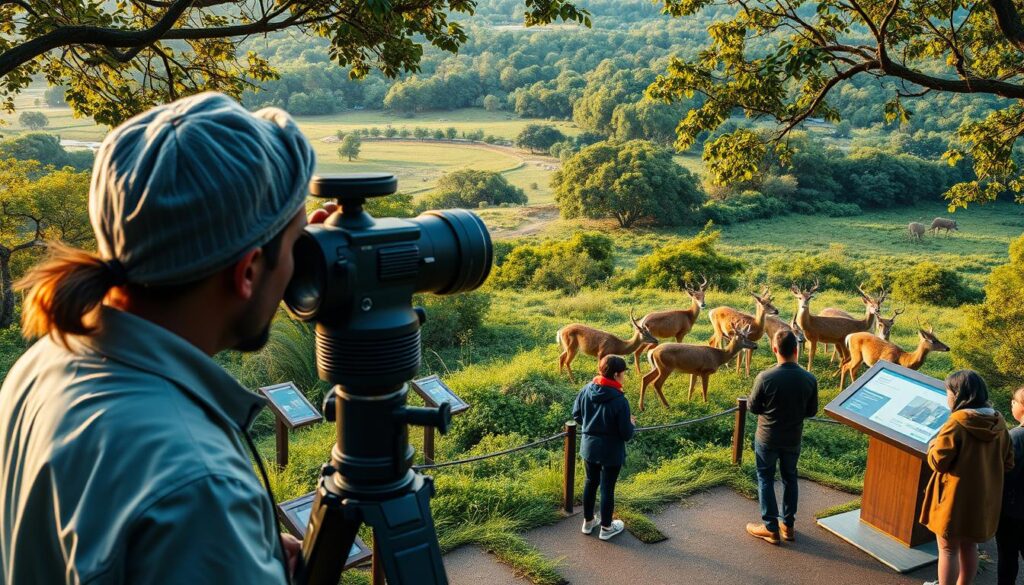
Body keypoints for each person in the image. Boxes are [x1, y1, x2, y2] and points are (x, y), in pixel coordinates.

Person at [0, 92, 316, 584]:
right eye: (297, 244)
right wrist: (215, 541)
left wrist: (233, 557)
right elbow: (176, 504)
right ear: (249, 271)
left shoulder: (46, 360)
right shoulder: (197, 486)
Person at [921, 370, 1013, 585]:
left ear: (957, 394)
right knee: (970, 546)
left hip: (953, 500)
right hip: (983, 500)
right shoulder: (999, 423)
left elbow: (939, 462)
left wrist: (933, 445)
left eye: (948, 393)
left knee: (948, 549)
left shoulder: (956, 423)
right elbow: (1008, 462)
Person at [745, 329, 818, 545]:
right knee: (790, 478)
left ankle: (770, 528)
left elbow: (753, 407)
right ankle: (788, 526)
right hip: (793, 438)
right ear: (797, 350)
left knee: (765, 478)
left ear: (774, 349)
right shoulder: (809, 379)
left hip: (767, 438)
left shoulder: (765, 377)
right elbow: (811, 411)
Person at [572, 355, 635, 541]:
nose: (624, 377)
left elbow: (577, 415)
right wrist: (631, 424)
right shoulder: (620, 400)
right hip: (611, 450)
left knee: (590, 482)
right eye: (623, 373)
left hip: (589, 447)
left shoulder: (586, 389)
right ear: (616, 374)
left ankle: (588, 521)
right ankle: (607, 528)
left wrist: (592, 426)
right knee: (607, 487)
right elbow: (626, 434)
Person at [998, 385, 1024, 585]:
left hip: (1012, 511)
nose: (1011, 404)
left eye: (1014, 401)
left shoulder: (1014, 437)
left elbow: (1003, 474)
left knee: (1008, 557)